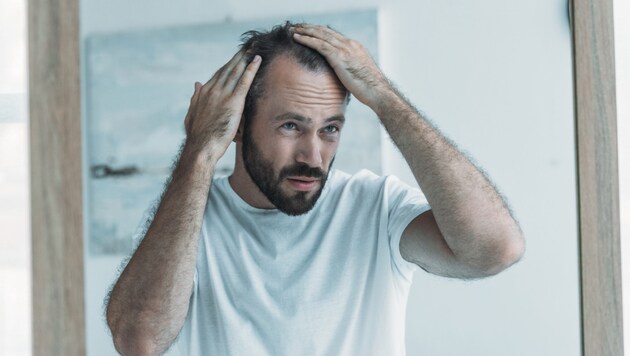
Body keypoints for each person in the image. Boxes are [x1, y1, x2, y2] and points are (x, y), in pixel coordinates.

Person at [105, 22, 525, 356]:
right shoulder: (190, 215)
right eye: (291, 125)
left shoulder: (374, 206)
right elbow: (138, 340)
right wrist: (198, 151)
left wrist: (382, 95)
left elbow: (494, 250)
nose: (313, 154)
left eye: (330, 129)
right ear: (237, 127)